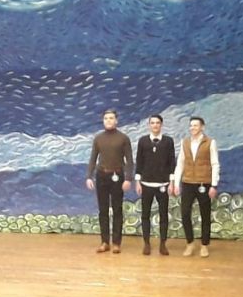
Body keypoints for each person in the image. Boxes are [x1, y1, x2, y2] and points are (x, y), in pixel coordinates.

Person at [85, 110, 133, 253]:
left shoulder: (123, 138)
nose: (108, 120)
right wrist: (89, 176)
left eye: (111, 118)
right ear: (103, 121)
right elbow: (93, 158)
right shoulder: (98, 138)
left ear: (116, 120)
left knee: (117, 209)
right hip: (102, 176)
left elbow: (129, 160)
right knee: (103, 210)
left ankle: (116, 243)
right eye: (106, 118)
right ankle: (105, 242)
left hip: (117, 176)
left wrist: (128, 178)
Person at [172, 116, 219, 258]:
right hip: (187, 183)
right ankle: (190, 243)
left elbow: (215, 164)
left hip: (204, 183)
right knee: (185, 212)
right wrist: (176, 183)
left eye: (195, 125)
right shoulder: (185, 142)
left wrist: (214, 185)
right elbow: (180, 163)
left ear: (202, 127)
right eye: (191, 125)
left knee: (205, 214)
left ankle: (204, 245)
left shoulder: (210, 142)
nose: (192, 128)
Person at [134, 114, 176, 256]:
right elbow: (139, 162)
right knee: (145, 214)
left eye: (157, 123)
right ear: (149, 125)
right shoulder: (143, 141)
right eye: (152, 123)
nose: (155, 125)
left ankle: (163, 244)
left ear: (161, 124)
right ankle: (146, 243)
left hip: (163, 184)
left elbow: (172, 162)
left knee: (163, 215)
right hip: (146, 184)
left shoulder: (168, 141)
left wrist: (172, 182)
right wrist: (138, 181)